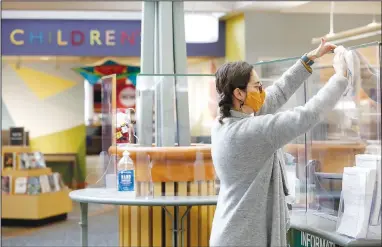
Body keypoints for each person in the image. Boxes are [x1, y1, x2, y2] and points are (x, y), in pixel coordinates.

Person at [209, 39, 350, 247]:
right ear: (239, 93)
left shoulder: (226, 122)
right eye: (257, 87)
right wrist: (340, 78)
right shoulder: (249, 133)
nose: (262, 91)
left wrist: (307, 60)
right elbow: (305, 116)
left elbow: (276, 94)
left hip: (234, 233)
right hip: (243, 239)